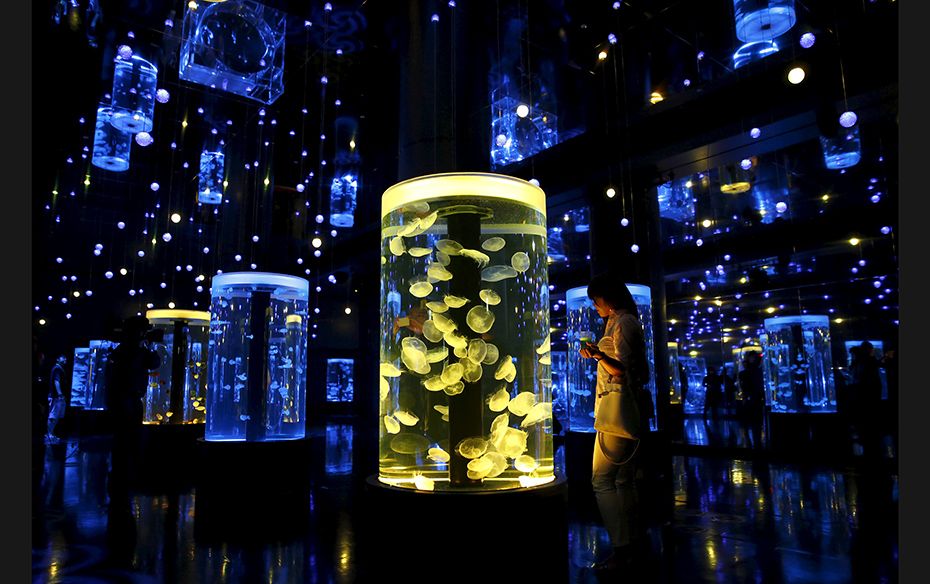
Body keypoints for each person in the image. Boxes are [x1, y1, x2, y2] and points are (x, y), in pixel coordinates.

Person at [578, 272, 650, 572]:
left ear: (607, 297)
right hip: (625, 407)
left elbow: (621, 370)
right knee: (623, 480)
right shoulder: (622, 321)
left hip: (616, 409)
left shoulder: (623, 322)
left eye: (596, 299)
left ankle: (622, 548)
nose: (595, 305)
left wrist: (596, 355)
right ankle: (632, 544)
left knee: (602, 480)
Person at [105, 315, 161, 500]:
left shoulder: (121, 349)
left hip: (121, 398)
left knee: (122, 438)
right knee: (130, 437)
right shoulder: (136, 350)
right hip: (129, 398)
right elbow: (155, 362)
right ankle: (128, 477)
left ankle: (120, 476)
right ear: (138, 331)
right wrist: (148, 346)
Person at [738, 351, 766, 449]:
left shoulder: (755, 371)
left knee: (755, 420)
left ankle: (753, 440)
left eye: (753, 358)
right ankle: (753, 440)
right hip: (752, 397)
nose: (752, 360)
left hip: (755, 397)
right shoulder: (751, 372)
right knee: (753, 419)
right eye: (751, 358)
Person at [47, 354, 69, 442]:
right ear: (57, 359)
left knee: (56, 416)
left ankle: (51, 433)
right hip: (56, 397)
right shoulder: (57, 368)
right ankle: (49, 434)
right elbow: (56, 381)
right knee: (53, 416)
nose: (65, 359)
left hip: (58, 397)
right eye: (63, 357)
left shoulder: (59, 368)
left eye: (65, 357)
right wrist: (60, 394)